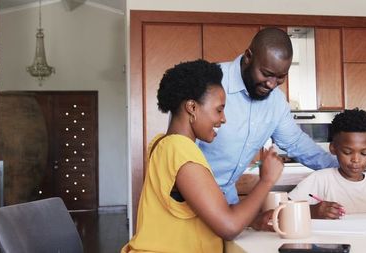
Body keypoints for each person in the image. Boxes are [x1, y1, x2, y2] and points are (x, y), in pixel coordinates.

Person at [121, 59, 284, 253]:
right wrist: (266, 180)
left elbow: (203, 215)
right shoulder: (180, 149)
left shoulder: (162, 144)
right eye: (219, 109)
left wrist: (253, 220)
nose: (223, 119)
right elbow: (229, 226)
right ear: (192, 107)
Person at [197, 27, 338, 221]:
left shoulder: (276, 103)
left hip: (228, 202)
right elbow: (182, 145)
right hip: (192, 197)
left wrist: (342, 168)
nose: (272, 84)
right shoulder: (208, 81)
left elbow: (297, 143)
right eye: (266, 73)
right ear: (248, 56)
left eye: (280, 77)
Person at [289, 108, 366, 217]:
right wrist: (312, 211)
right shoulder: (320, 180)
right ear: (333, 148)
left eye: (364, 153)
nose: (356, 159)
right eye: (347, 152)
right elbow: (282, 210)